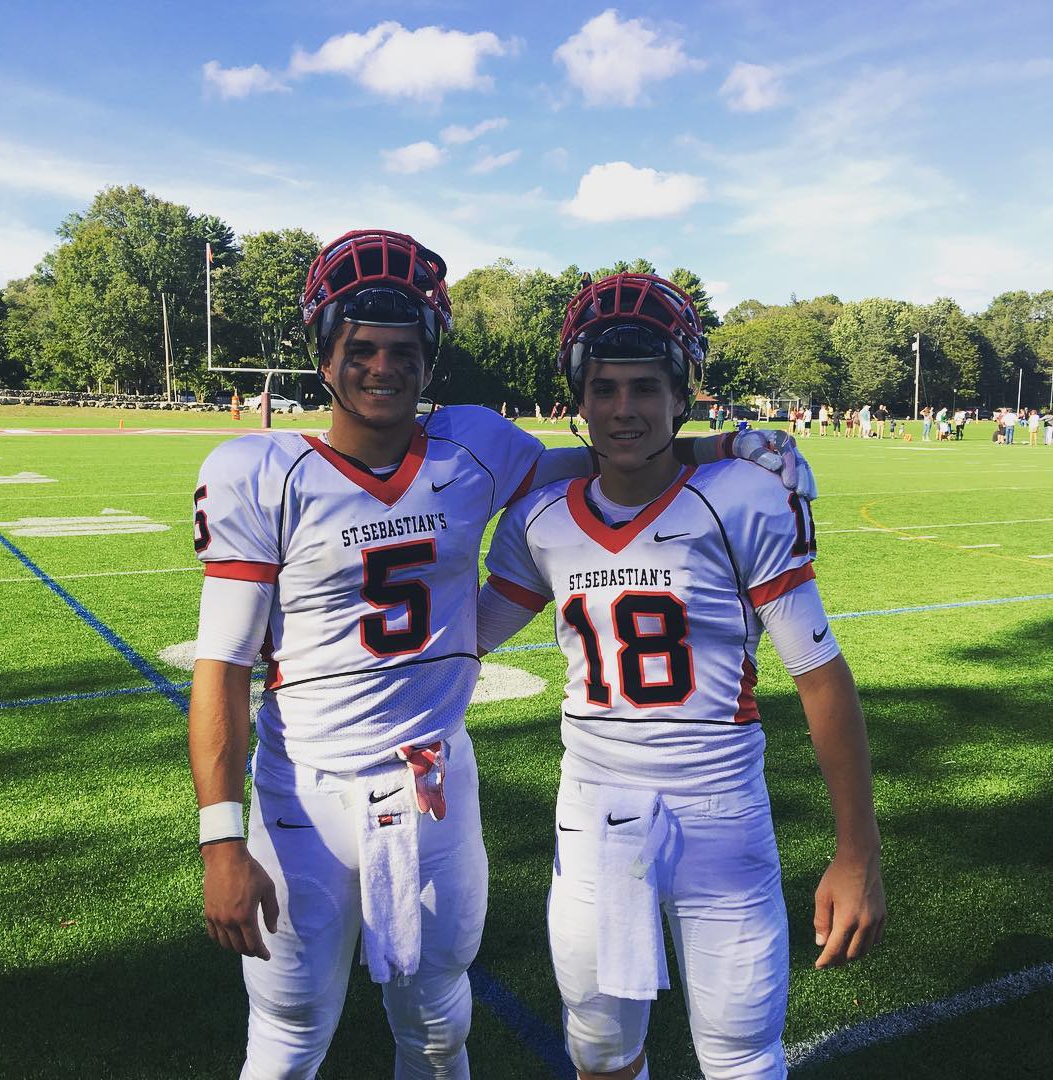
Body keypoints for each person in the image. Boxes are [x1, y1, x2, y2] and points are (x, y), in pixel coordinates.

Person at [188, 235, 814, 1080]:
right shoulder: (258, 470)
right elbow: (221, 666)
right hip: (304, 788)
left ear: (430, 356)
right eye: (362, 349)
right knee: (290, 1027)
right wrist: (221, 840)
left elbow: (602, 455)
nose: (384, 368)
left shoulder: (471, 445)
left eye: (403, 351)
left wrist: (724, 448)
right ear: (325, 355)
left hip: (432, 778)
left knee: (440, 1022)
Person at [477, 272, 884, 1080]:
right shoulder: (542, 520)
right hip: (594, 809)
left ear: (681, 392)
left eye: (645, 387)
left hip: (720, 810)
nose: (623, 407)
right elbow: (466, 637)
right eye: (604, 388)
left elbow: (820, 675)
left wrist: (857, 850)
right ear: (578, 397)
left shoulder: (741, 501)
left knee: (741, 1054)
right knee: (599, 1049)